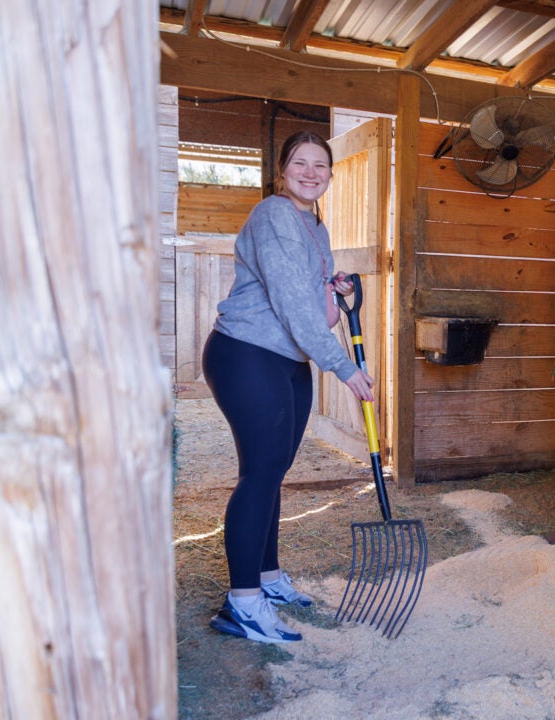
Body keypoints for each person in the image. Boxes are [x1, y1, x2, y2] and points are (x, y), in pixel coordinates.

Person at [202, 130, 375, 643]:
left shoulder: (313, 225)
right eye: (300, 163)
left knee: (272, 470)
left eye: (320, 165)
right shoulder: (274, 215)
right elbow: (289, 301)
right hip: (248, 353)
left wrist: (332, 285)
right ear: (283, 170)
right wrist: (342, 367)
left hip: (288, 358)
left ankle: (268, 578)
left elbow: (306, 290)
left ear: (329, 174)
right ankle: (243, 603)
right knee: (259, 475)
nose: (310, 172)